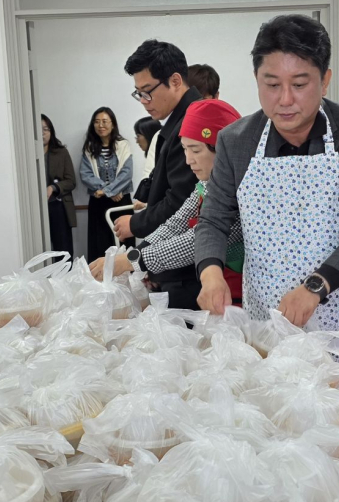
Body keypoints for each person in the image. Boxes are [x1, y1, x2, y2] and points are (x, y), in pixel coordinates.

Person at [194, 14, 339, 476]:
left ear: (325, 79)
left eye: (300, 83)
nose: (285, 100)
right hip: (274, 320)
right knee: (286, 443)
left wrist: (316, 285)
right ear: (256, 80)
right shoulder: (237, 140)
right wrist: (210, 269)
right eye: (271, 84)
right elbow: (214, 218)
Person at [89, 100, 244, 309]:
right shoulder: (206, 184)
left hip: (241, 296)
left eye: (196, 150)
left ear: (223, 150)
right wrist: (133, 257)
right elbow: (175, 224)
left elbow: (195, 242)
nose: (189, 160)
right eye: (185, 150)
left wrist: (132, 262)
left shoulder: (240, 191)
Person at [113, 41, 202, 300]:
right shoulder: (179, 120)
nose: (143, 101)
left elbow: (186, 207)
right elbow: (182, 211)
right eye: (138, 93)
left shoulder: (192, 122)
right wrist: (141, 259)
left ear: (175, 81)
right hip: (174, 263)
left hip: (190, 272)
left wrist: (137, 251)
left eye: (147, 91)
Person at [80, 106, 135, 262]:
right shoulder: (89, 147)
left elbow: (126, 173)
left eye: (105, 121)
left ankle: (126, 283)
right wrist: (107, 191)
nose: (101, 125)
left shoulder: (123, 144)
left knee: (123, 244)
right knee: (99, 244)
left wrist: (109, 191)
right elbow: (86, 174)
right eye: (97, 122)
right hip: (98, 202)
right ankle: (101, 283)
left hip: (121, 201)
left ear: (112, 124)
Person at [41, 114, 76, 259]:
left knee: (63, 250)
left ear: (51, 132)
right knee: (40, 250)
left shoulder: (61, 152)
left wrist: (53, 188)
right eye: (38, 130)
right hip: (36, 209)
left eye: (45, 129)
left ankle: (65, 280)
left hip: (58, 205)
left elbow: (71, 181)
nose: (42, 133)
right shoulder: (26, 154)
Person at [132, 116, 162, 210]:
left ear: (149, 134)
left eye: (138, 136)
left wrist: (145, 200)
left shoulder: (158, 138)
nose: (137, 141)